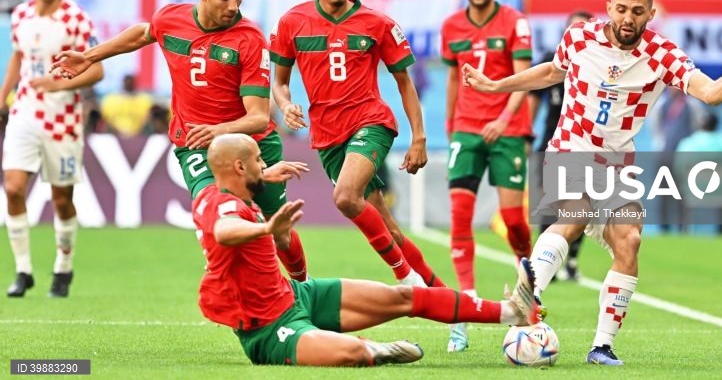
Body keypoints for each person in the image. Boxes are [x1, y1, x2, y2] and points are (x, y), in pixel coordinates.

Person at [463, 0, 722, 365]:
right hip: (570, 146)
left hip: (619, 164)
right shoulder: (579, 37)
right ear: (609, 7)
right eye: (621, 9)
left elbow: (709, 92)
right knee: (576, 214)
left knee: (630, 242)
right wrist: (495, 86)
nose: (627, 18)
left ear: (650, 14)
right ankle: (530, 294)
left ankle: (601, 346)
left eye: (637, 12)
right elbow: (551, 72)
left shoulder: (662, 54)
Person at [50, 0, 309, 281]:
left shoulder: (250, 40)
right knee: (211, 210)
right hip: (196, 146)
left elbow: (257, 118)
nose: (234, 5)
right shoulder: (171, 19)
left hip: (253, 145)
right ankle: (225, 279)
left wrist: (216, 130)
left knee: (279, 232)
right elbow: (142, 34)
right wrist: (88, 56)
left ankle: (302, 287)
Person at [193, 133, 540, 366]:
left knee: (404, 296)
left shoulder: (231, 193)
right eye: (257, 160)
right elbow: (225, 231)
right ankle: (375, 350)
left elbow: (241, 193)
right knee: (353, 352)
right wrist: (266, 228)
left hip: (296, 295)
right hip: (267, 330)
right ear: (239, 167)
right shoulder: (219, 205)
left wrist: (264, 177)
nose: (263, 165)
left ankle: (511, 311)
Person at [270, 0, 444, 288]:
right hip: (328, 136)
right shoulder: (293, 22)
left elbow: (405, 84)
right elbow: (280, 82)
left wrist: (419, 137)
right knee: (388, 227)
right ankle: (446, 303)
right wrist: (286, 104)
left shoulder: (377, 23)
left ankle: (405, 278)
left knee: (346, 196)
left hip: (370, 122)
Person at [441, 0, 533, 352]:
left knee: (513, 219)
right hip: (466, 129)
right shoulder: (451, 26)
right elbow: (451, 77)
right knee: (459, 215)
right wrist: (449, 125)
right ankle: (464, 310)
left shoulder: (515, 21)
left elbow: (524, 78)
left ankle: (529, 288)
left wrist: (504, 117)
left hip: (508, 130)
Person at [0, 0, 104, 298]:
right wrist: (3, 97)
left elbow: (97, 68)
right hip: (24, 112)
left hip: (63, 118)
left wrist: (59, 84)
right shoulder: (21, 14)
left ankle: (63, 267)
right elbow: (18, 56)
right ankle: (23, 270)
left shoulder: (76, 19)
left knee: (61, 199)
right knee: (13, 188)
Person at [528, 11, 595, 281]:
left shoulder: (598, 63)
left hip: (587, 144)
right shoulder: (551, 61)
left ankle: (572, 262)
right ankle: (546, 267)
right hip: (552, 141)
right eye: (574, 26)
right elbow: (534, 99)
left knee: (581, 206)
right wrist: (526, 135)